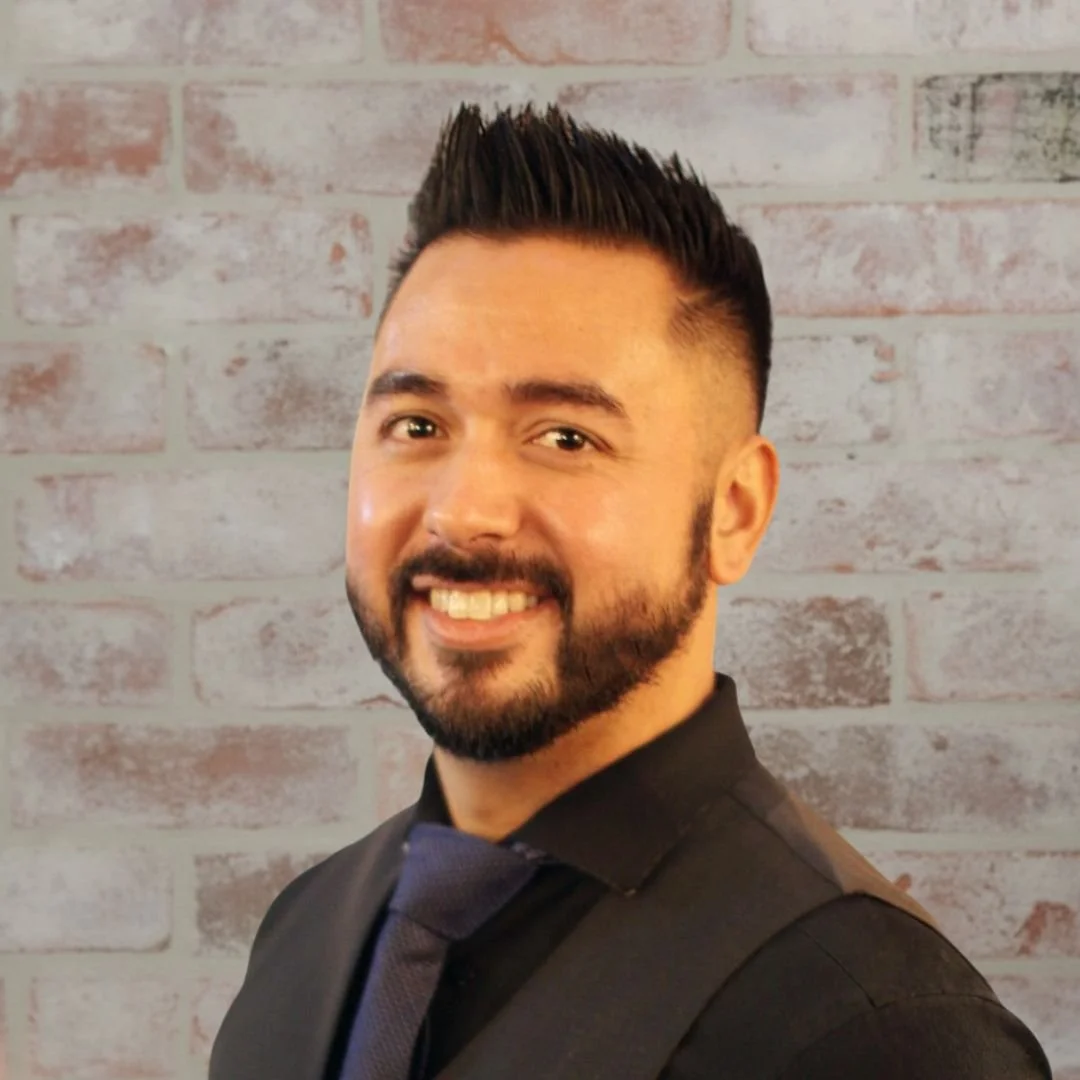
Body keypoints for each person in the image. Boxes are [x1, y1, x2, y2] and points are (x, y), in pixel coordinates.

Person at [210, 103, 1052, 1080]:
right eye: (418, 425)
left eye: (566, 437)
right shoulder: (308, 932)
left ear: (733, 510)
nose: (463, 511)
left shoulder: (876, 1029)